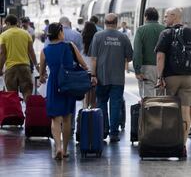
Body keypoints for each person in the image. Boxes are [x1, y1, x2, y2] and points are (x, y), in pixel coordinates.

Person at [39, 23, 88, 160]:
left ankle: (58, 147)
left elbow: (42, 73)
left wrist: (42, 77)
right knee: (67, 118)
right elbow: (83, 64)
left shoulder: (45, 51)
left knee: (55, 119)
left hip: (54, 84)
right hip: (68, 84)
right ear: (60, 33)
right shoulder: (70, 46)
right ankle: (65, 150)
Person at [154, 7, 191, 156]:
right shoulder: (190, 32)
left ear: (173, 17)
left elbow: (160, 56)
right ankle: (182, 146)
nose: (164, 19)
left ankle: (169, 144)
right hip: (188, 78)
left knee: (169, 112)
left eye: (166, 16)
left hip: (171, 77)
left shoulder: (166, 33)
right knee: (185, 113)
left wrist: (160, 77)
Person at [90, 13, 133, 142]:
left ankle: (103, 130)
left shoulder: (97, 36)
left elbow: (93, 59)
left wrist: (93, 75)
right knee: (115, 104)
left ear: (105, 23)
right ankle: (114, 134)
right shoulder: (123, 37)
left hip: (101, 77)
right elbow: (130, 57)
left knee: (101, 102)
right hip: (118, 78)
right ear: (117, 22)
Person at [0, 14, 39, 102]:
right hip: (25, 67)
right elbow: (31, 51)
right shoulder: (26, 33)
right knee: (27, 92)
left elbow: (2, 53)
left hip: (10, 69)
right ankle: (29, 113)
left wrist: (0, 68)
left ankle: (16, 114)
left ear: (8, 23)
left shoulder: (3, 35)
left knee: (12, 95)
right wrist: (36, 65)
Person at [133, 7, 165, 98]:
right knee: (161, 97)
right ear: (157, 17)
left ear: (145, 17)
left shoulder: (141, 30)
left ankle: (150, 112)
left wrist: (137, 70)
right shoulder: (165, 29)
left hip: (146, 68)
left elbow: (137, 51)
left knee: (148, 98)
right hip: (162, 67)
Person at [81, 21, 98, 108]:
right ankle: (94, 113)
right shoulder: (97, 39)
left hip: (85, 68)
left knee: (86, 94)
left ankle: (85, 111)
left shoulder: (82, 39)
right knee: (94, 94)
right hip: (94, 68)